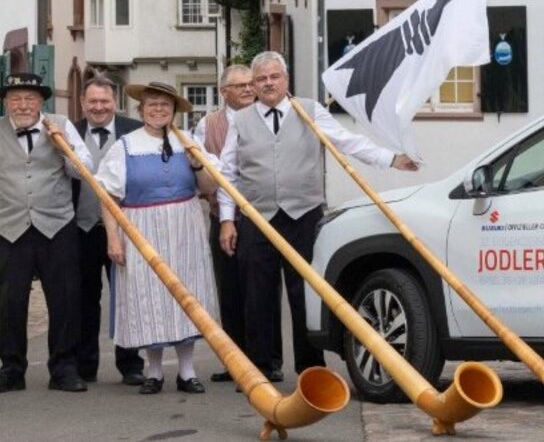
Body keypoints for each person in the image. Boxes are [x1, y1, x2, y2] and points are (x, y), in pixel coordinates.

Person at [217, 52, 417, 380]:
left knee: (305, 293)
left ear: (286, 79)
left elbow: (347, 142)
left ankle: (310, 367)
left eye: (274, 77)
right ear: (253, 84)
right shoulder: (241, 120)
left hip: (303, 215)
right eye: (261, 79)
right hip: (257, 216)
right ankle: (261, 367)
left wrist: (390, 159)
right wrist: (227, 219)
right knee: (257, 295)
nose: (268, 83)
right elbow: (228, 173)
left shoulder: (309, 110)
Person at [95, 82, 220, 394]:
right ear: (141, 110)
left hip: (185, 228)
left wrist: (197, 163)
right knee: (148, 296)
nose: (158, 110)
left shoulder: (188, 141)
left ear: (174, 110)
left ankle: (187, 371)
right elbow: (108, 196)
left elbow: (209, 187)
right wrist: (113, 238)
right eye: (152, 104)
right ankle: (153, 371)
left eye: (165, 105)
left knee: (187, 295)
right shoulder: (125, 146)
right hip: (141, 228)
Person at [0, 72, 92, 393]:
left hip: (56, 225)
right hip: (9, 227)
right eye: (16, 98)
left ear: (41, 101)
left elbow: (84, 170)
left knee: (64, 298)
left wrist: (63, 147)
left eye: (30, 98)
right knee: (9, 302)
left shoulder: (61, 125)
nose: (23, 105)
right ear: (6, 102)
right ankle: (11, 369)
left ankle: (64, 369)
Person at [72, 76, 146, 386]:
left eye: (104, 101)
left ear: (114, 102)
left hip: (124, 228)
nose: (98, 107)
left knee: (126, 297)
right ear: (82, 103)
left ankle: (130, 364)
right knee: (84, 299)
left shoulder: (134, 131)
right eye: (92, 101)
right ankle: (85, 365)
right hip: (83, 228)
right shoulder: (70, 132)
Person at [192, 65, 255, 383]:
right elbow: (196, 163)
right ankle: (235, 363)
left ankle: (264, 359)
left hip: (258, 218)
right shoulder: (208, 124)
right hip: (221, 216)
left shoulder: (263, 116)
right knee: (228, 290)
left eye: (250, 84)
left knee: (259, 290)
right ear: (223, 91)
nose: (247, 89)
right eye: (239, 85)